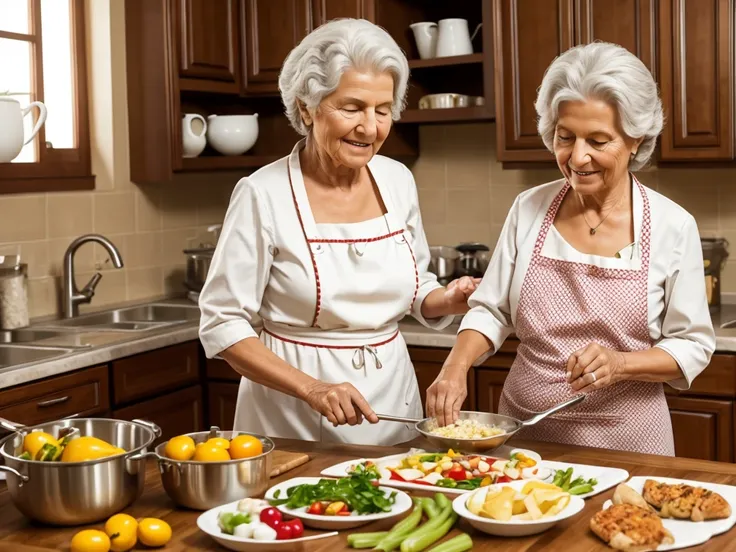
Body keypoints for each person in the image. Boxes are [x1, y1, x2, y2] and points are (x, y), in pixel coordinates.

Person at [425, 42, 716, 456]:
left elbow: (692, 345)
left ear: (635, 139)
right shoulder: (529, 208)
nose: (578, 157)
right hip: (526, 437)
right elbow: (491, 310)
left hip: (629, 441)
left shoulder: (673, 225)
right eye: (566, 137)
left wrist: (620, 364)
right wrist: (455, 367)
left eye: (598, 140)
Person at [198, 18, 479, 445]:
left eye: (382, 111)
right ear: (307, 107)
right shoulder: (262, 193)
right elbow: (222, 323)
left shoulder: (397, 180)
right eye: (352, 108)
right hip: (290, 414)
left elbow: (418, 288)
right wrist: (311, 389)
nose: (370, 127)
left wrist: (448, 299)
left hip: (392, 406)